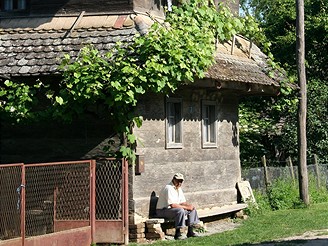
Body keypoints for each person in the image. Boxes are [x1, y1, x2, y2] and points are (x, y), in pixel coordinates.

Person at [156, 173, 200, 240]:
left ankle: (190, 231)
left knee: (192, 209)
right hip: (162, 210)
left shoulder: (178, 188)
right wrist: (187, 207)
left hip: (171, 210)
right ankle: (178, 233)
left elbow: (182, 202)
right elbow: (172, 205)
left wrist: (190, 206)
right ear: (173, 180)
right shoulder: (169, 188)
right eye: (178, 180)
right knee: (180, 211)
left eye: (181, 181)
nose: (179, 183)